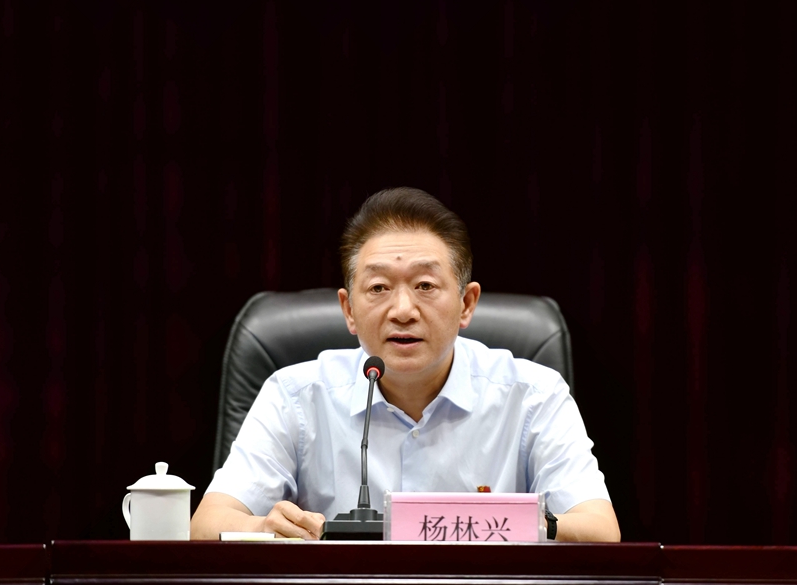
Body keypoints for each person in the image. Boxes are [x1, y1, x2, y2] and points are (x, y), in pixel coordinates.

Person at [191, 187, 620, 542]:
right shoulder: (295, 395)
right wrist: (262, 528)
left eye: (425, 285)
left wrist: (515, 521)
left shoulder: (533, 395)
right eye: (378, 287)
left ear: (467, 303)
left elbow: (600, 530)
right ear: (349, 310)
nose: (402, 310)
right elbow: (207, 524)